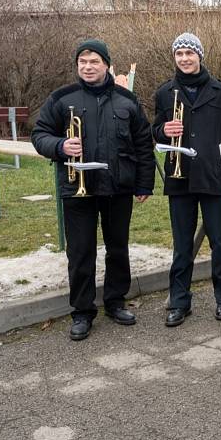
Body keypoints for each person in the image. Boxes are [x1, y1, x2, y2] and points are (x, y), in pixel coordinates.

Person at [31, 39, 154, 341]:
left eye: (94, 61)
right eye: (82, 62)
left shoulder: (127, 100)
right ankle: (82, 312)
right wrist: (60, 146)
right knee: (80, 252)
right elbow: (39, 134)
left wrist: (144, 183)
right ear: (77, 66)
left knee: (117, 248)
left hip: (118, 187)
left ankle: (115, 301)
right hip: (77, 189)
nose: (87, 67)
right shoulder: (62, 98)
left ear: (107, 65)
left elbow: (143, 144)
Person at [153, 32, 221, 327]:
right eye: (179, 54)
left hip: (214, 177)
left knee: (219, 242)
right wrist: (164, 130)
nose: (184, 59)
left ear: (199, 56)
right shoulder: (165, 93)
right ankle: (179, 302)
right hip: (179, 179)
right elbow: (154, 132)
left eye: (190, 53)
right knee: (181, 244)